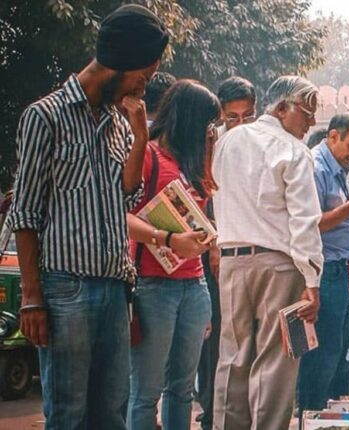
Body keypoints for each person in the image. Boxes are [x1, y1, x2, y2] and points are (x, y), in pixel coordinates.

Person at [9, 5, 167, 428]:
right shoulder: (46, 116)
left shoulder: (119, 121)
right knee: (68, 415)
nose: (143, 85)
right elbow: (25, 212)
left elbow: (125, 195)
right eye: (144, 75)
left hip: (115, 288)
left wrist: (139, 139)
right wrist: (31, 297)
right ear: (121, 61)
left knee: (111, 415)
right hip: (65, 291)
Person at [212, 76, 323, 430]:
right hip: (280, 266)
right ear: (282, 108)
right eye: (306, 113)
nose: (311, 123)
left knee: (233, 356)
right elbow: (304, 220)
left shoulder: (225, 142)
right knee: (276, 359)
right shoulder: (293, 151)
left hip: (231, 262)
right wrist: (312, 281)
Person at [126, 80, 219, 430]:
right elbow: (124, 216)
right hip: (153, 285)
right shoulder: (148, 155)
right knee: (146, 392)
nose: (212, 131)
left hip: (194, 285)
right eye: (208, 122)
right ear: (189, 118)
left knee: (182, 389)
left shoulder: (194, 163)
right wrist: (166, 237)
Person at [297, 112, 349, 412]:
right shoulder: (316, 168)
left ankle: (329, 413)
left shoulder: (336, 169)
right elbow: (312, 223)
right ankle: (312, 413)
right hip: (324, 271)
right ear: (333, 136)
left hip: (340, 271)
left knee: (340, 352)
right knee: (324, 355)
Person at [196, 77, 257, 430]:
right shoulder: (211, 142)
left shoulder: (262, 142)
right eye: (231, 117)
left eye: (246, 116)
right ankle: (211, 414)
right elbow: (206, 193)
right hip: (217, 253)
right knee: (219, 339)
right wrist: (216, 246)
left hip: (254, 254)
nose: (239, 124)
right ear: (220, 115)